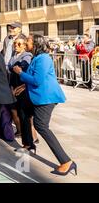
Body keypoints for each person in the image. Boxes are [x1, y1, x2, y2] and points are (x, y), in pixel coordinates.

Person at [13, 34, 77, 176]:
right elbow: (35, 78)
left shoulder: (43, 58)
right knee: (23, 111)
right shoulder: (37, 58)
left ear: (36, 44)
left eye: (28, 41)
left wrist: (20, 73)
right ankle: (28, 144)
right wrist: (23, 85)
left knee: (41, 125)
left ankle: (66, 161)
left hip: (46, 97)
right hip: (36, 95)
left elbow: (37, 80)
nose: (26, 43)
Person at [7, 34, 34, 151]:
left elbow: (21, 66)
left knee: (25, 117)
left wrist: (14, 67)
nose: (16, 46)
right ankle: (26, 141)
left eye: (19, 44)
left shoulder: (27, 55)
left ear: (24, 46)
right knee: (16, 113)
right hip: (13, 88)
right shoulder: (14, 55)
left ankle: (29, 143)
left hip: (22, 89)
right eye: (15, 43)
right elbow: (11, 67)